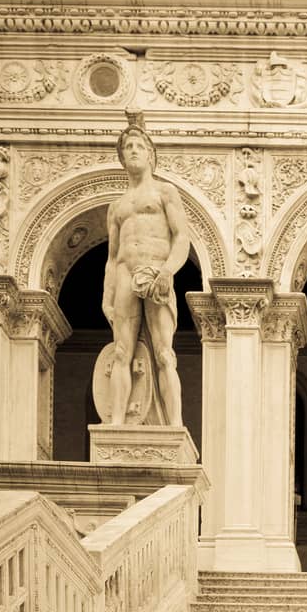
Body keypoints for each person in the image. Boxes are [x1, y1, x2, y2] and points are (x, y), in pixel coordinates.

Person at [102, 114, 189, 428]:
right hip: (126, 273)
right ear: (122, 156)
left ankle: (176, 424)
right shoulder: (117, 206)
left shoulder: (165, 192)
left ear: (151, 155)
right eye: (128, 147)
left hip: (156, 271)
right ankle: (115, 423)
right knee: (122, 351)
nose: (134, 150)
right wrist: (106, 296)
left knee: (165, 353)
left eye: (139, 146)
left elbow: (182, 237)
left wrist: (168, 271)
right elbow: (112, 258)